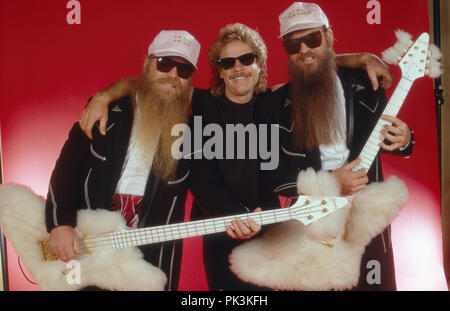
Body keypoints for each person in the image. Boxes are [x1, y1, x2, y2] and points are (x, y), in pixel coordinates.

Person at [77, 25, 394, 290]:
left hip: (270, 229)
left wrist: (363, 57)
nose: (238, 67)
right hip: (219, 228)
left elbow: (315, 61)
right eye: (228, 63)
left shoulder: (275, 101)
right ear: (219, 71)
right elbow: (156, 83)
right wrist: (106, 95)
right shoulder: (201, 103)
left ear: (259, 64)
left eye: (246, 59)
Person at [256, 2, 414, 290]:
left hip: (366, 221)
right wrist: (328, 182)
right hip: (312, 225)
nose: (304, 49)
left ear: (328, 37)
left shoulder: (368, 83)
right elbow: (273, 177)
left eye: (312, 39)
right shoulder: (273, 105)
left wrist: (405, 139)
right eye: (293, 44)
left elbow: (388, 136)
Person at [45, 30, 200, 291]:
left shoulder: (195, 132)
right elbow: (66, 168)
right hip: (91, 242)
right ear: (147, 63)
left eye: (184, 71)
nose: (173, 74)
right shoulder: (105, 111)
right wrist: (60, 223)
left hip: (150, 251)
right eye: (164, 64)